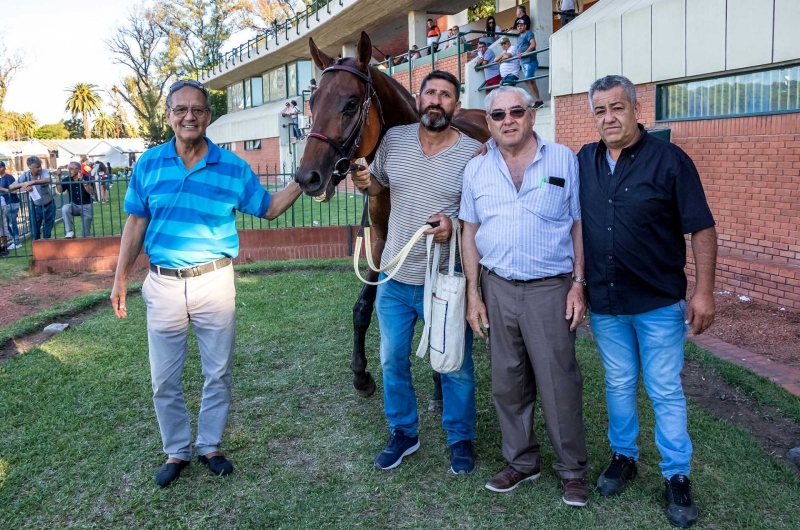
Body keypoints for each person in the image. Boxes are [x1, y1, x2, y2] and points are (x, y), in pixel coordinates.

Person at [110, 79, 302, 488]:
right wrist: (120, 278)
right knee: (164, 377)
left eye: (197, 109)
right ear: (168, 116)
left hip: (214, 282)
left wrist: (304, 178)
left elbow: (268, 208)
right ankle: (177, 450)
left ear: (208, 117)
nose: (189, 116)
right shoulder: (149, 164)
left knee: (218, 373)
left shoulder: (231, 167)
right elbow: (135, 223)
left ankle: (209, 446)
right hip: (163, 285)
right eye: (180, 109)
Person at [578, 75, 717, 528]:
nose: (609, 118)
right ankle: (624, 456)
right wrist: (489, 151)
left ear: (637, 109)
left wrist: (703, 290)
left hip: (657, 301)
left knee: (664, 388)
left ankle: (677, 474)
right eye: (600, 110)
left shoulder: (670, 161)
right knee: (618, 384)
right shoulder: (585, 160)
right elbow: (536, 164)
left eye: (617, 107)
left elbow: (702, 228)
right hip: (606, 303)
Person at [460, 86, 590, 507]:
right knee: (507, 382)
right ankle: (521, 460)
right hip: (496, 288)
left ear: (532, 115)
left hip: (549, 289)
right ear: (489, 123)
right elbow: (469, 231)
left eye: (517, 111)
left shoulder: (563, 160)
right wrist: (473, 295)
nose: (508, 120)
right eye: (497, 115)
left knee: (559, 383)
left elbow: (578, 224)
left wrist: (578, 282)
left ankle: (572, 469)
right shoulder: (476, 168)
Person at [350, 71, 482, 475]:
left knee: (454, 364)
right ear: (419, 98)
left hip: (444, 280)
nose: (436, 101)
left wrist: (453, 224)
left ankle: (460, 437)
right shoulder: (394, 140)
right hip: (394, 277)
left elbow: (482, 215)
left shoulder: (475, 153)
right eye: (430, 93)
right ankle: (403, 432)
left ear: (456, 107)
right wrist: (363, 181)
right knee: (392, 361)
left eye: (445, 95)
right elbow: (379, 187)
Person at [15, 155, 56, 241]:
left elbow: (48, 179)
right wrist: (24, 185)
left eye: (40, 166)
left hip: (49, 205)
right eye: (37, 167)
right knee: (35, 233)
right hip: (35, 208)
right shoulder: (25, 175)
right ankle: (37, 252)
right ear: (30, 167)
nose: (40, 168)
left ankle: (46, 251)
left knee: (47, 233)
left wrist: (32, 182)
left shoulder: (44, 172)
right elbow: (11, 186)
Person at [57, 162, 95, 238]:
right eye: (68, 169)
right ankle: (69, 232)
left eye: (71, 169)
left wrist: (82, 181)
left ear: (78, 169)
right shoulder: (67, 179)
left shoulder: (86, 178)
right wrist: (58, 176)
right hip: (74, 205)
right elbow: (59, 190)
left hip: (86, 206)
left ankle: (85, 241)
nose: (69, 171)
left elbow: (91, 191)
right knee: (65, 208)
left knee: (85, 235)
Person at [514, 18, 544, 109]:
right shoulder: (518, 38)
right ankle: (538, 100)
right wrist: (519, 54)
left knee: (527, 80)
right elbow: (519, 49)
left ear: (525, 26)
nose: (519, 27)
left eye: (521, 25)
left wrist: (525, 53)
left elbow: (533, 44)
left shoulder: (529, 33)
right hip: (523, 62)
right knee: (531, 81)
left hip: (531, 61)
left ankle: (538, 100)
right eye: (518, 26)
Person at [0, 161, 20, 250]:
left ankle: (17, 242)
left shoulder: (9, 177)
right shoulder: (1, 179)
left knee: (12, 223)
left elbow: (15, 191)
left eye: (0, 167)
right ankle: (14, 240)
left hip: (12, 203)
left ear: (4, 167)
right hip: (5, 204)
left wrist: (1, 189)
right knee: (6, 225)